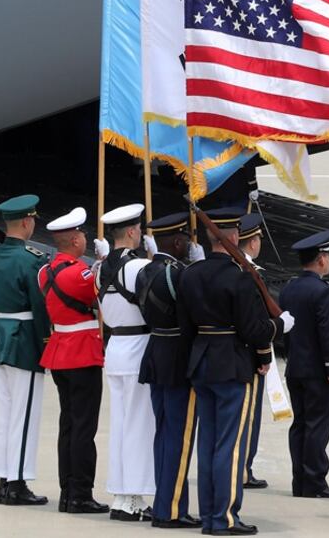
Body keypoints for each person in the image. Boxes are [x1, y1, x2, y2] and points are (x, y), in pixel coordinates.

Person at [176, 208, 292, 536]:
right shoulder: (240, 277)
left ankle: (210, 512)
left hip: (202, 362)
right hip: (232, 365)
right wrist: (280, 325)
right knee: (230, 445)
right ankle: (223, 517)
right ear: (235, 237)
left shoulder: (191, 274)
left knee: (209, 443)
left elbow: (186, 327)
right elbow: (254, 330)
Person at [37, 207, 108, 514]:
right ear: (74, 240)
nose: (86, 239)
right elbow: (100, 296)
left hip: (60, 350)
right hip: (82, 352)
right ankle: (80, 493)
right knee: (83, 428)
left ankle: (68, 490)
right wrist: (102, 265)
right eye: (82, 235)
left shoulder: (45, 271)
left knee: (68, 424)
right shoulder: (79, 273)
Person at [135, 212, 203, 529]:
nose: (189, 247)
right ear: (177, 242)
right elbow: (194, 317)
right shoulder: (179, 274)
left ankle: (165, 503)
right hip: (178, 356)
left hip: (155, 353)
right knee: (179, 434)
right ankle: (171, 509)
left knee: (163, 433)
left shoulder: (145, 271)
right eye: (186, 242)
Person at [97, 203, 155, 521]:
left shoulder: (100, 268)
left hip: (116, 346)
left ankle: (123, 495)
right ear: (133, 232)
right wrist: (156, 260)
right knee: (137, 425)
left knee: (121, 424)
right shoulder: (137, 268)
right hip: (137, 347)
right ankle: (130, 496)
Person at [279, 230, 329, 499]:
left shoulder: (289, 288)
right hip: (317, 370)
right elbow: (326, 333)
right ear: (320, 260)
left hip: (295, 366)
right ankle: (315, 480)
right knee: (318, 425)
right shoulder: (322, 292)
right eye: (328, 256)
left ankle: (300, 480)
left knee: (301, 424)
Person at [0, 194, 50, 507]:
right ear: (27, 223)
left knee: (4, 415)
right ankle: (17, 484)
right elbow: (40, 309)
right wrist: (47, 344)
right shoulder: (32, 261)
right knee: (24, 415)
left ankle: (5, 479)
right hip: (24, 341)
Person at [238, 213, 268, 490]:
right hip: (247, 357)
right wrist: (264, 355)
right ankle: (243, 468)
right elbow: (257, 320)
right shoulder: (249, 274)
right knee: (248, 416)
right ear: (253, 241)